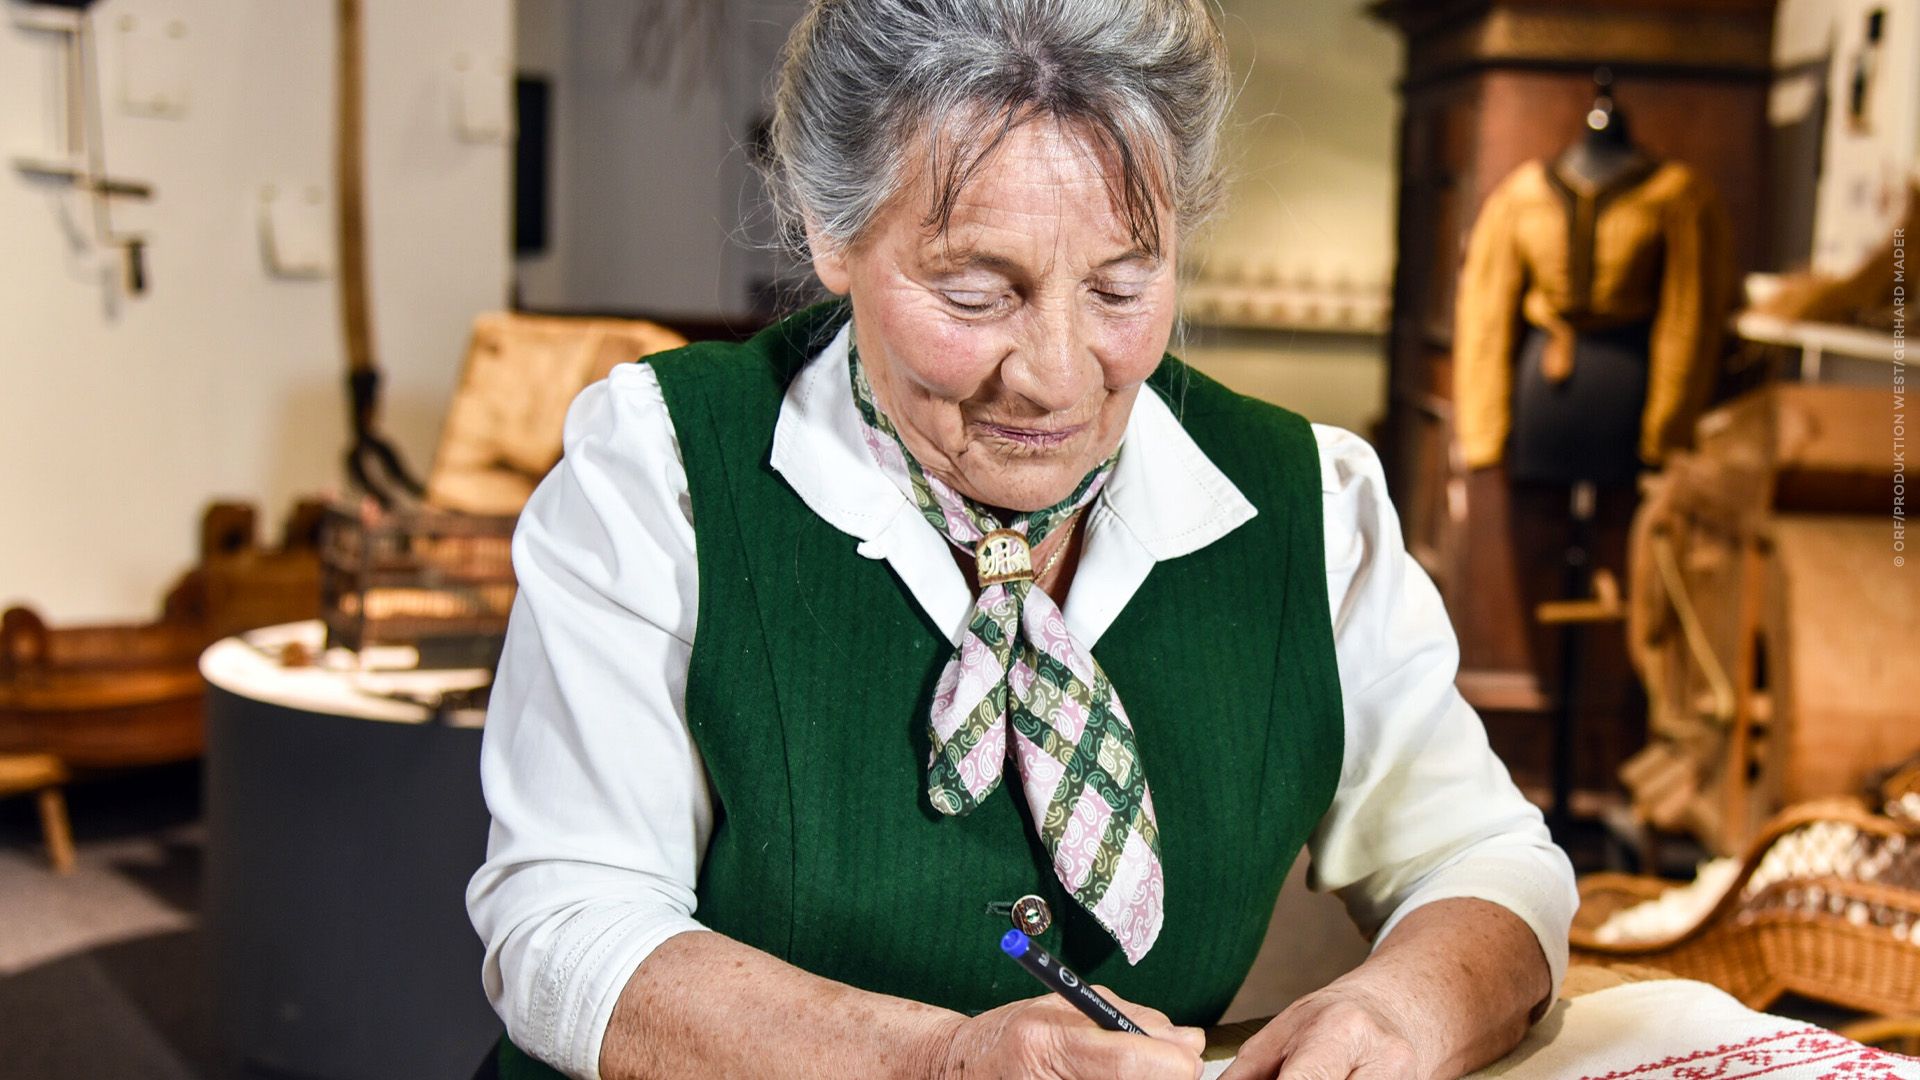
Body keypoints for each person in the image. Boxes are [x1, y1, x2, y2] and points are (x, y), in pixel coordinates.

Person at [466, 2, 1577, 1077]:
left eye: (1120, 286)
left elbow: (1482, 859)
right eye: (974, 292)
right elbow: (563, 931)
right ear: (828, 227)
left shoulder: (1309, 503)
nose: (1055, 375)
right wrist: (934, 1065)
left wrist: (1403, 1008)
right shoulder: (661, 471)